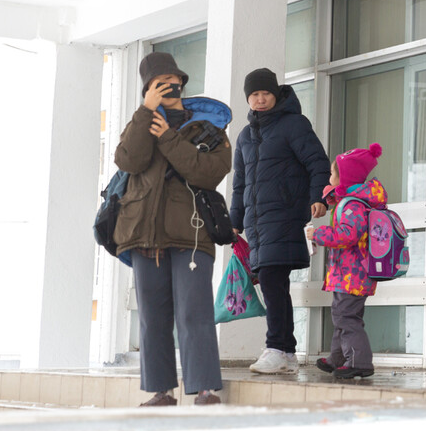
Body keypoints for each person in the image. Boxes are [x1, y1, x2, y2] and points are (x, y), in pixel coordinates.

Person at [114, 52, 233, 406]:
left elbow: (208, 172)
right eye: (156, 83)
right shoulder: (141, 123)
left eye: (170, 80)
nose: (166, 86)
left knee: (194, 311)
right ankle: (161, 391)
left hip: (192, 233)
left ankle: (206, 387)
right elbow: (128, 160)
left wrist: (168, 136)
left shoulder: (209, 128)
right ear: (146, 89)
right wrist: (145, 113)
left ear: (181, 82)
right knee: (152, 318)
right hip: (142, 234)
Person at [230, 68, 331, 374]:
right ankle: (285, 352)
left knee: (274, 282)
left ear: (276, 94)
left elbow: (317, 162)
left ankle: (277, 347)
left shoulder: (293, 125)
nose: (260, 100)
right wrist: (235, 220)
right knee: (274, 285)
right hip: (258, 223)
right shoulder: (245, 136)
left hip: (285, 216)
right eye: (254, 95)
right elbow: (240, 183)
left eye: (265, 94)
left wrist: (319, 198)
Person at [306, 143, 386, 379]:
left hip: (353, 274)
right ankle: (338, 357)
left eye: (332, 173)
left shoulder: (352, 205)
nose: (329, 178)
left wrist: (318, 235)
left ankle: (359, 361)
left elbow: (347, 236)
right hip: (349, 274)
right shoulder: (349, 202)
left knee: (346, 317)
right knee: (341, 314)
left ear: (345, 177)